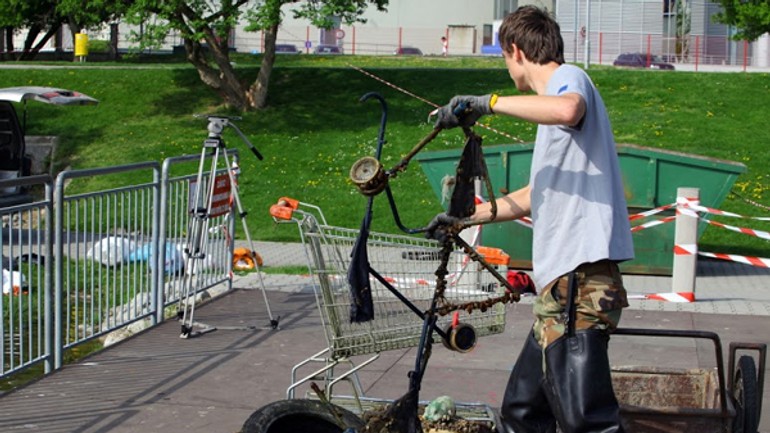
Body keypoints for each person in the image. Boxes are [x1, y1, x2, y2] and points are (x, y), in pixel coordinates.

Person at [428, 6, 633, 433]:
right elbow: (534, 196)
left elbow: (567, 110)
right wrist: (463, 218)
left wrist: (489, 104)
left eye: (504, 59)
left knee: (586, 421)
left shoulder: (568, 79)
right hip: (557, 291)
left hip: (581, 284)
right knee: (523, 412)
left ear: (515, 50)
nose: (507, 69)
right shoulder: (551, 117)